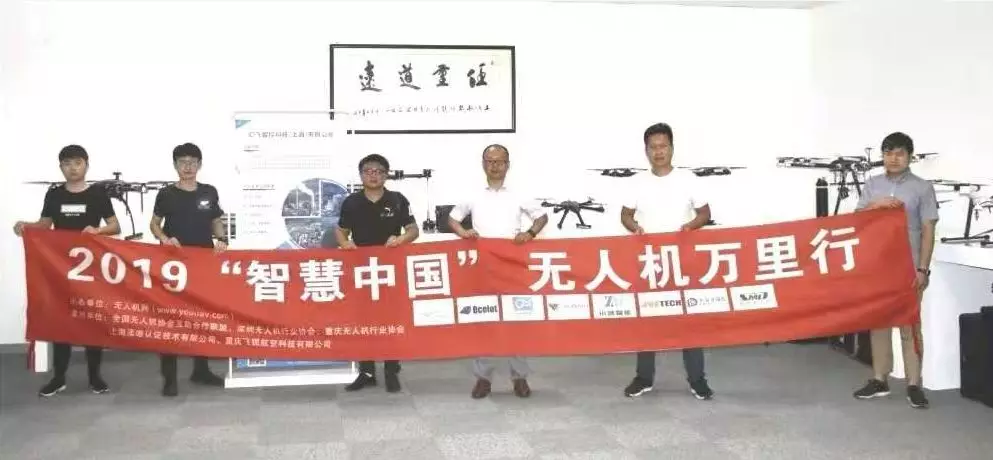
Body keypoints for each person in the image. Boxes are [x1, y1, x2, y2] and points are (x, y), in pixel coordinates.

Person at [13, 145, 121, 397]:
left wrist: (97, 231)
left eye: (78, 163)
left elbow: (115, 226)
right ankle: (59, 377)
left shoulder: (97, 194)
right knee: (60, 322)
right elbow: (44, 224)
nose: (73, 168)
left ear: (86, 165)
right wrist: (25, 226)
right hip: (60, 269)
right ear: (61, 167)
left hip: (91, 268)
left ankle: (95, 377)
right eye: (67, 164)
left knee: (92, 322)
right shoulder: (55, 195)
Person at [620, 122, 715, 400]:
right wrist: (634, 227)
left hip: (682, 259)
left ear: (672, 148)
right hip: (649, 260)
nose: (658, 152)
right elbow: (625, 215)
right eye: (653, 147)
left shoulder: (688, 179)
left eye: (663, 146)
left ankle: (697, 379)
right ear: (646, 151)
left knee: (688, 320)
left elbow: (705, 213)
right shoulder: (638, 182)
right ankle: (643, 377)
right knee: (647, 321)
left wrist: (690, 226)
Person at [448, 144, 549, 399]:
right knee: (485, 321)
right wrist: (463, 232)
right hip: (483, 266)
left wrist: (529, 233)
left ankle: (520, 378)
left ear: (508, 165)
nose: (495, 166)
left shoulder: (519, 193)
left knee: (516, 322)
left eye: (500, 161)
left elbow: (541, 217)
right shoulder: (472, 193)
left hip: (512, 265)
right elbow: (453, 219)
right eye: (490, 161)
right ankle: (483, 379)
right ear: (483, 164)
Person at [852, 132, 938, 409]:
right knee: (878, 324)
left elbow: (928, 229)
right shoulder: (873, 184)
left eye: (900, 153)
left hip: (908, 266)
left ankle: (914, 384)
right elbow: (856, 220)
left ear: (910, 156)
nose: (893, 158)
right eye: (888, 153)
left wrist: (923, 268)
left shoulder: (922, 188)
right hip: (878, 266)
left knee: (909, 326)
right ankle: (880, 379)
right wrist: (875, 205)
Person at [149, 142, 229, 397]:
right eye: (182, 162)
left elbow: (216, 220)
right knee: (170, 320)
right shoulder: (166, 194)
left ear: (199, 165)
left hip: (203, 263)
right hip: (173, 265)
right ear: (175, 165)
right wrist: (164, 239)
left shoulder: (209, 191)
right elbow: (154, 224)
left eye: (192, 162)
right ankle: (169, 378)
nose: (187, 166)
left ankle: (201, 370)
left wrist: (222, 239)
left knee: (201, 317)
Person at [336, 153, 419, 393]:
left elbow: (413, 230)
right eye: (368, 171)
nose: (373, 175)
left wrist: (401, 239)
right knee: (363, 320)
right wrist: (345, 243)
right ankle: (367, 371)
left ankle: (391, 369)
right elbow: (340, 230)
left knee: (391, 319)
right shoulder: (351, 202)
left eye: (379, 171)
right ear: (361, 175)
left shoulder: (397, 199)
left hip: (390, 270)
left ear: (386, 175)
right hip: (361, 270)